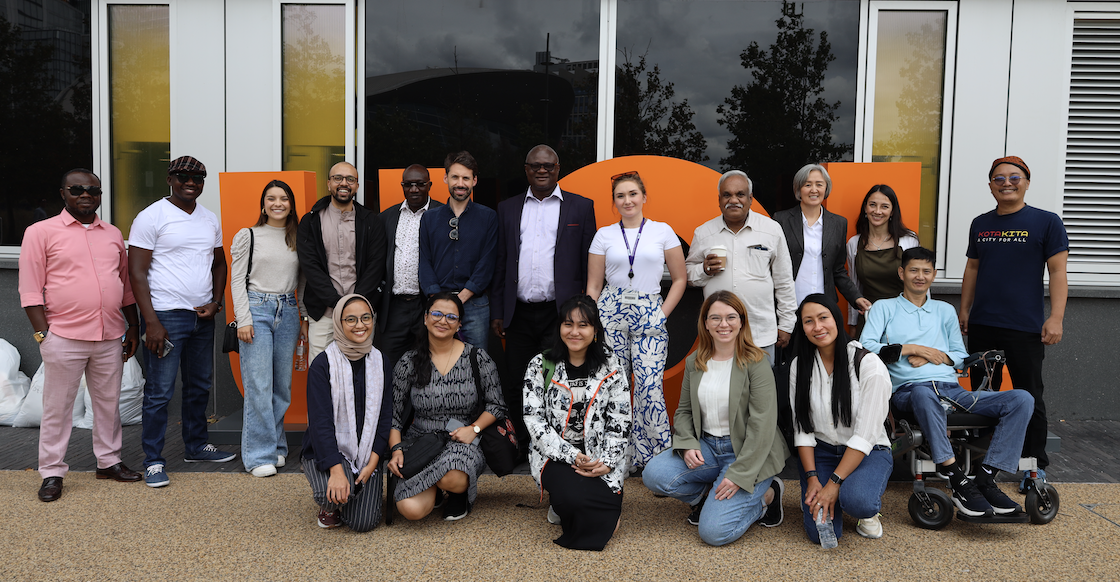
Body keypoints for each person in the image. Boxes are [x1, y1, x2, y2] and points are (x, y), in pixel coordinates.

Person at [861, 247, 1032, 517]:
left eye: (926, 271)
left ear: (934, 274)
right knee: (922, 393)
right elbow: (868, 347)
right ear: (901, 273)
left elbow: (961, 357)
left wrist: (932, 357)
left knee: (1022, 399)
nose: (920, 276)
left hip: (952, 392)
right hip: (908, 392)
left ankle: (986, 477)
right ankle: (956, 477)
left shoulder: (944, 310)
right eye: (914, 270)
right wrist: (912, 348)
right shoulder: (884, 307)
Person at [19, 169, 143, 502]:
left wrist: (133, 326)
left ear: (100, 194)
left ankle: (109, 461)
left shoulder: (113, 234)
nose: (85, 194)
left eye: (93, 189)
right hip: (63, 336)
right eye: (77, 189)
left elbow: (126, 286)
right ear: (63, 193)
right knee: (57, 408)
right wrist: (44, 336)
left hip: (110, 334)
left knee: (108, 404)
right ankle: (52, 472)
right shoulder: (40, 232)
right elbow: (30, 291)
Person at [642, 291, 789, 547]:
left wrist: (739, 475)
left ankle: (767, 497)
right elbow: (684, 411)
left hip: (747, 454)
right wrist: (687, 443)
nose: (724, 324)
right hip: (708, 448)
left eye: (731, 317)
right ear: (706, 323)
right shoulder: (694, 362)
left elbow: (762, 426)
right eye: (716, 318)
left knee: (714, 533)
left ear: (741, 321)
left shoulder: (757, 363)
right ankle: (710, 496)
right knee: (654, 474)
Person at [960, 156, 1068, 490]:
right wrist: (964, 310)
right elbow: (972, 269)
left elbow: (1059, 273)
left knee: (1029, 395)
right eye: (999, 178)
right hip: (983, 325)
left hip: (1025, 327)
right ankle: (979, 462)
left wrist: (1056, 317)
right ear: (991, 185)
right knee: (982, 396)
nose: (1007, 183)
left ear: (1027, 181)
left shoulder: (1046, 222)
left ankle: (1033, 466)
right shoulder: (981, 223)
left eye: (1014, 177)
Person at [128, 156, 233, 488]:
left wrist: (216, 302)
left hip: (201, 316)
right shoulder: (151, 217)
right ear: (170, 178)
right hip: (166, 316)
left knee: (199, 386)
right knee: (159, 392)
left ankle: (196, 446)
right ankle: (154, 461)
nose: (192, 182)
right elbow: (136, 273)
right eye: (184, 176)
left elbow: (219, 263)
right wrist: (151, 322)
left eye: (198, 177)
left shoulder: (209, 218)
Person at [492, 145, 597, 451]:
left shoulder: (580, 207)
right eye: (535, 166)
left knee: (558, 380)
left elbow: (587, 261)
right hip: (519, 313)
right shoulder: (508, 208)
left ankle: (554, 445)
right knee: (516, 381)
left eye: (548, 166)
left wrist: (582, 313)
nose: (541, 171)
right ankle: (521, 444)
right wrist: (499, 309)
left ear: (558, 168)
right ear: (526, 169)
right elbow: (502, 261)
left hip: (559, 314)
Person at [587, 170, 686, 469]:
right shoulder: (604, 234)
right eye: (620, 196)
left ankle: (655, 462)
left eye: (632, 194)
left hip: (650, 314)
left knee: (649, 387)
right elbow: (593, 286)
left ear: (643, 197)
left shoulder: (662, 231)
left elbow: (680, 279)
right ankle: (615, 457)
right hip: (610, 315)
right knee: (614, 387)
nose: (627, 200)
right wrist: (595, 321)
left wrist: (661, 314)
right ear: (614, 201)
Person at [522, 295, 631, 551]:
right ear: (559, 327)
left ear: (595, 331)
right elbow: (534, 420)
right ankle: (561, 499)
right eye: (568, 324)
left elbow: (620, 419)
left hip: (598, 454)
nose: (574, 331)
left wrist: (607, 461)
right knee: (573, 499)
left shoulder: (612, 367)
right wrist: (572, 455)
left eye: (583, 325)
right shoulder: (541, 365)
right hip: (555, 453)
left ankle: (570, 500)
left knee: (610, 526)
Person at [386, 291, 506, 521]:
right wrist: (396, 449)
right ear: (425, 317)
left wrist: (475, 429)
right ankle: (436, 490)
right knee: (411, 511)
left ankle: (455, 491)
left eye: (451, 317)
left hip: (461, 438)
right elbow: (393, 413)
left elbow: (497, 405)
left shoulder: (477, 358)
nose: (443, 321)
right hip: (421, 440)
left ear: (459, 323)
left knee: (452, 476)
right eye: (437, 314)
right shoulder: (409, 361)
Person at [789, 294, 892, 544]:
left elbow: (866, 434)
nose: (818, 327)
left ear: (837, 318)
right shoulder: (799, 366)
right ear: (802, 328)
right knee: (822, 535)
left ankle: (863, 509)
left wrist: (833, 483)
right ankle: (830, 489)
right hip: (822, 452)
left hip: (868, 451)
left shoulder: (868, 364)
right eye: (808, 321)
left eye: (823, 318)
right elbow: (802, 429)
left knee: (858, 501)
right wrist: (813, 477)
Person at [301, 294, 393, 531]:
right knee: (328, 493)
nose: (360, 325)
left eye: (365, 318)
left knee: (363, 523)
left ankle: (349, 493)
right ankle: (329, 499)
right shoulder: (323, 364)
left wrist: (373, 462)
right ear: (339, 324)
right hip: (328, 449)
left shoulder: (381, 362)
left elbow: (385, 418)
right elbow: (320, 423)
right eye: (350, 319)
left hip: (366, 453)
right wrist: (336, 470)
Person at [231, 180, 304, 478]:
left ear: (291, 204)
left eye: (284, 198)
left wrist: (304, 317)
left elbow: (302, 281)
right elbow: (237, 280)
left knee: (281, 387)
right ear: (263, 204)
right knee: (259, 385)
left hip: (288, 311)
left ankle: (275, 446)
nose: (278, 203)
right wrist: (244, 319)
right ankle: (258, 454)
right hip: (257, 309)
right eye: (271, 198)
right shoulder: (249, 235)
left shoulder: (297, 236)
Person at [685, 170, 796, 365]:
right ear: (719, 200)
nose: (733, 200)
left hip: (759, 333)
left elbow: (784, 280)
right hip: (718, 334)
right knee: (720, 393)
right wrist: (704, 269)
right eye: (727, 195)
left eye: (740, 194)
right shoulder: (704, 233)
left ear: (750, 199)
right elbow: (688, 274)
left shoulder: (771, 230)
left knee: (759, 393)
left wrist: (786, 324)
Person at [297, 161, 388, 361]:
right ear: (329, 184)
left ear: (357, 185)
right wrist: (338, 304)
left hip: (361, 316)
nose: (344, 183)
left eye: (350, 179)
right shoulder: (310, 222)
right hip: (323, 315)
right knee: (320, 375)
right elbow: (311, 268)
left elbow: (376, 266)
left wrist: (354, 306)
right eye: (338, 178)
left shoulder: (371, 222)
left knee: (360, 375)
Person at [418, 151, 498, 348]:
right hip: (438, 304)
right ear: (445, 178)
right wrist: (439, 300)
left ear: (474, 181)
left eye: (466, 178)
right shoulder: (429, 218)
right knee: (437, 362)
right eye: (455, 177)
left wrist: (460, 298)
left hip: (475, 305)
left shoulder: (488, 217)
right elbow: (424, 261)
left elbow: (487, 263)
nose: (460, 183)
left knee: (477, 364)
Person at [774, 164, 871, 313]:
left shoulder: (838, 223)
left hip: (824, 306)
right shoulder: (781, 220)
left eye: (819, 184)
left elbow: (838, 270)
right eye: (807, 184)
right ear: (798, 189)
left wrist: (856, 297)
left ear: (826, 188)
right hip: (789, 306)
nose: (814, 190)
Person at [379, 164, 443, 369]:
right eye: (408, 185)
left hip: (427, 305)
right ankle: (392, 403)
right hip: (394, 306)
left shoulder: (443, 214)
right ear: (402, 186)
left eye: (420, 184)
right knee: (389, 366)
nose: (414, 189)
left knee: (429, 365)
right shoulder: (387, 217)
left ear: (429, 185)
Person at [845, 184, 920, 337]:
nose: (877, 211)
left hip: (905, 318)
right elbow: (854, 287)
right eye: (872, 205)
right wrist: (853, 324)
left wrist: (924, 318)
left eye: (884, 206)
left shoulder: (908, 241)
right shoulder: (854, 243)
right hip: (869, 319)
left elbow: (921, 284)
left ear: (892, 211)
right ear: (865, 208)